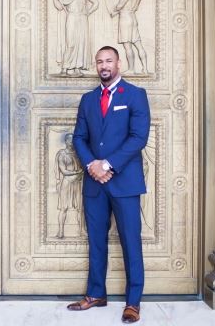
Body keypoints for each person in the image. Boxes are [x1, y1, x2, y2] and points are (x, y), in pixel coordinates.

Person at [69, 46, 150, 323]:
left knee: (130, 242)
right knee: (96, 241)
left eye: (109, 61)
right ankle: (96, 294)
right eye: (100, 62)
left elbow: (138, 138)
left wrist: (107, 165)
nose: (104, 66)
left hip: (124, 183)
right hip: (95, 184)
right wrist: (93, 165)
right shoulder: (88, 99)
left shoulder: (136, 96)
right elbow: (79, 137)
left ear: (119, 63)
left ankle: (133, 302)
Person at [50, 0, 99, 77]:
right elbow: (59, 7)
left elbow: (96, 3)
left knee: (81, 42)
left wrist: (88, 12)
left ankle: (77, 67)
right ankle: (65, 67)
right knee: (71, 43)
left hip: (82, 18)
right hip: (72, 17)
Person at [108, 0, 147, 74]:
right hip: (133, 17)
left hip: (125, 18)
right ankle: (145, 69)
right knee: (139, 45)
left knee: (128, 46)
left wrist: (114, 8)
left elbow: (120, 5)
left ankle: (131, 69)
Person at [55, 133, 85, 238]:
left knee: (80, 208)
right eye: (69, 141)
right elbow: (63, 171)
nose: (71, 143)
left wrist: (78, 173)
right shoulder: (62, 154)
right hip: (67, 182)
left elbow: (84, 168)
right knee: (63, 208)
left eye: (73, 140)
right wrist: (77, 172)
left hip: (78, 182)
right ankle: (61, 231)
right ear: (66, 142)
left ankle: (81, 230)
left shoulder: (79, 153)